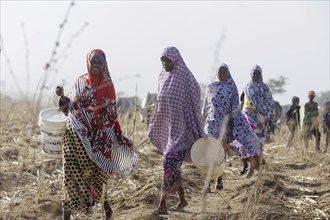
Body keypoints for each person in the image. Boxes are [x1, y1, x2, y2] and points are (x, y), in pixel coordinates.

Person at [55, 49, 138, 220]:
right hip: (75, 133)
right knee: (70, 171)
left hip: (98, 136)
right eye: (93, 62)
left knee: (97, 172)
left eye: (100, 63)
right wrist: (62, 97)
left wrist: (105, 133)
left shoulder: (107, 86)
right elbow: (70, 107)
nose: (96, 66)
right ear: (88, 62)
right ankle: (67, 215)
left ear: (104, 64)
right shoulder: (79, 82)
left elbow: (111, 114)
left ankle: (106, 208)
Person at [148, 46, 204, 215]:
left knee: (168, 164)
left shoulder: (186, 79)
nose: (164, 63)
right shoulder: (162, 78)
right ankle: (182, 199)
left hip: (183, 133)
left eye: (167, 60)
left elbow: (195, 97)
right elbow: (160, 104)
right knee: (173, 168)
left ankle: (162, 204)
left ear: (176, 60)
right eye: (162, 60)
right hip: (169, 132)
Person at [201, 63, 263, 193]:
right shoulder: (211, 87)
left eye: (224, 72)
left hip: (225, 125)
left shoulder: (231, 87)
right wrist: (201, 121)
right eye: (220, 72)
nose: (222, 75)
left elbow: (235, 107)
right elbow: (206, 106)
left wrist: (235, 124)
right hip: (211, 124)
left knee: (220, 152)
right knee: (212, 152)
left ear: (228, 73)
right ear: (216, 73)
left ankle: (217, 180)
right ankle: (210, 181)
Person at [241, 65, 276, 143]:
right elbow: (254, 102)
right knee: (252, 135)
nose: (256, 75)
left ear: (261, 74)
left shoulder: (265, 87)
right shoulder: (249, 86)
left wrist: (269, 114)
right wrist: (260, 115)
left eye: (258, 73)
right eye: (254, 73)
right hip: (250, 115)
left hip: (263, 116)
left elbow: (269, 101)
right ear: (251, 75)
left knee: (261, 136)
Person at [302, 90, 321, 155]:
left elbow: (316, 113)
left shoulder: (315, 104)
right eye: (310, 96)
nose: (311, 97)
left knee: (318, 136)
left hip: (314, 123)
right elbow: (308, 113)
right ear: (308, 97)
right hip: (307, 123)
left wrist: (317, 122)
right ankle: (305, 150)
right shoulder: (306, 105)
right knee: (306, 137)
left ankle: (317, 149)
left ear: (314, 97)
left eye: (312, 96)